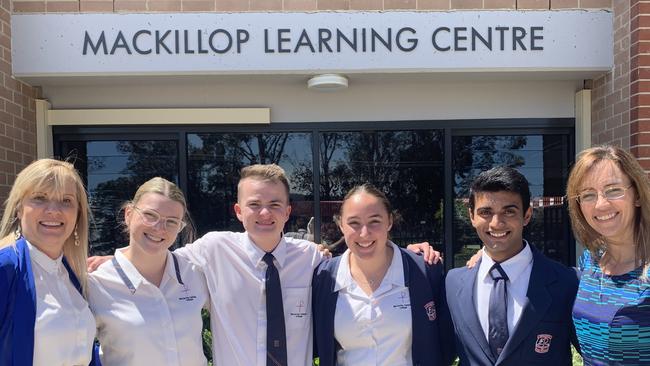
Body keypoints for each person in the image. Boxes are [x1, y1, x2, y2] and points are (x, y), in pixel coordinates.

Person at [87, 163, 437, 366]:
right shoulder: (212, 250)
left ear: (288, 212)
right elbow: (157, 254)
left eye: (274, 204)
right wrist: (115, 259)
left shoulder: (313, 260)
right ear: (238, 211)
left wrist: (411, 252)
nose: (265, 213)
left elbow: (365, 250)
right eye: (254, 204)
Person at [446, 166, 578, 366]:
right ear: (472, 216)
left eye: (509, 211)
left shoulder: (566, 282)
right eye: (486, 212)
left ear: (526, 215)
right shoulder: (453, 283)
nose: (496, 223)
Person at [312, 184, 454, 366]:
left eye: (374, 221)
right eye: (354, 223)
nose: (364, 233)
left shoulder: (424, 271)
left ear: (390, 221)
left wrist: (484, 255)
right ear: (341, 225)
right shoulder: (323, 278)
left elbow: (448, 342)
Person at [87, 177, 210, 365]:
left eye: (171, 221)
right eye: (150, 215)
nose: (159, 228)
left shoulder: (194, 274)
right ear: (128, 214)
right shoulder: (97, 283)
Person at [0, 158, 98, 366]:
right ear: (19, 208)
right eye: (40, 198)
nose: (54, 210)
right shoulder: (5, 269)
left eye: (66, 201)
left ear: (78, 213)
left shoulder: (70, 275)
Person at [567, 145, 650, 365]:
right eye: (588, 195)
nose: (601, 204)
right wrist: (491, 259)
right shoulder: (590, 261)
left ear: (638, 195)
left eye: (613, 190)